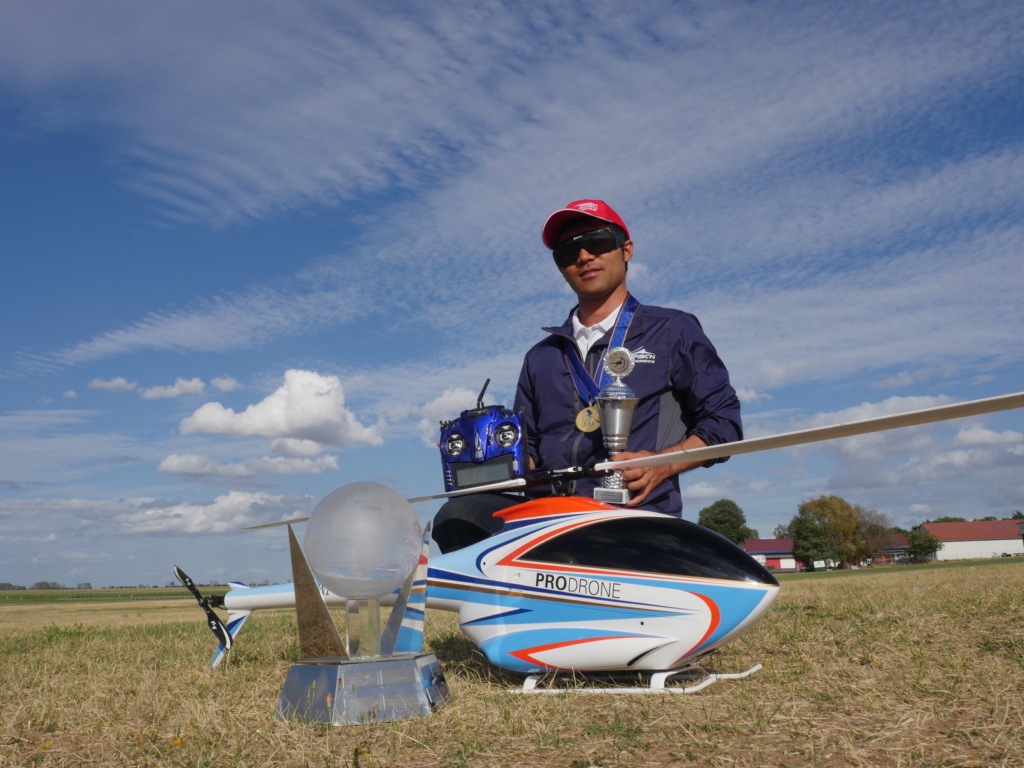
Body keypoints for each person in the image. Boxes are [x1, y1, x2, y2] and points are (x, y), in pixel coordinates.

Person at [432, 199, 742, 553]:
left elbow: (724, 422)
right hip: (547, 517)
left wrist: (660, 466)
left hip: (633, 512)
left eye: (596, 242)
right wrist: (486, 457)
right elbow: (528, 449)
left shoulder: (673, 330)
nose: (583, 256)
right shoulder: (540, 357)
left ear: (626, 249)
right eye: (566, 252)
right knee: (459, 514)